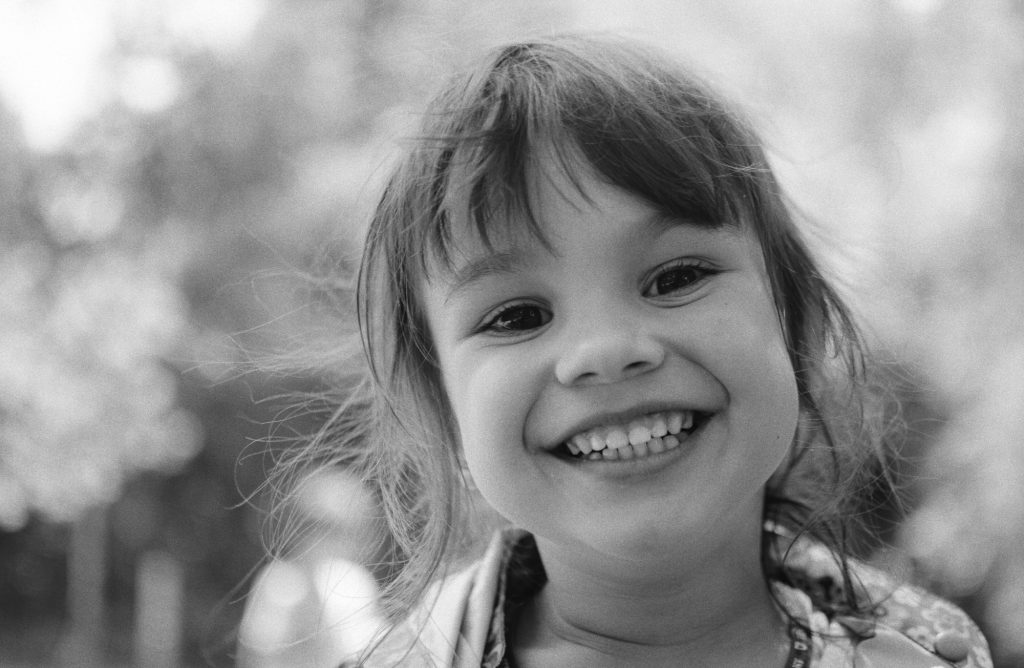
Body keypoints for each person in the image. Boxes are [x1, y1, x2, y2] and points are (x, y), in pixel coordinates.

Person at [285, 35, 992, 666]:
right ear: (441, 408)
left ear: (794, 321)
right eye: (518, 316)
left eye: (677, 277)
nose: (606, 350)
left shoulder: (924, 651)